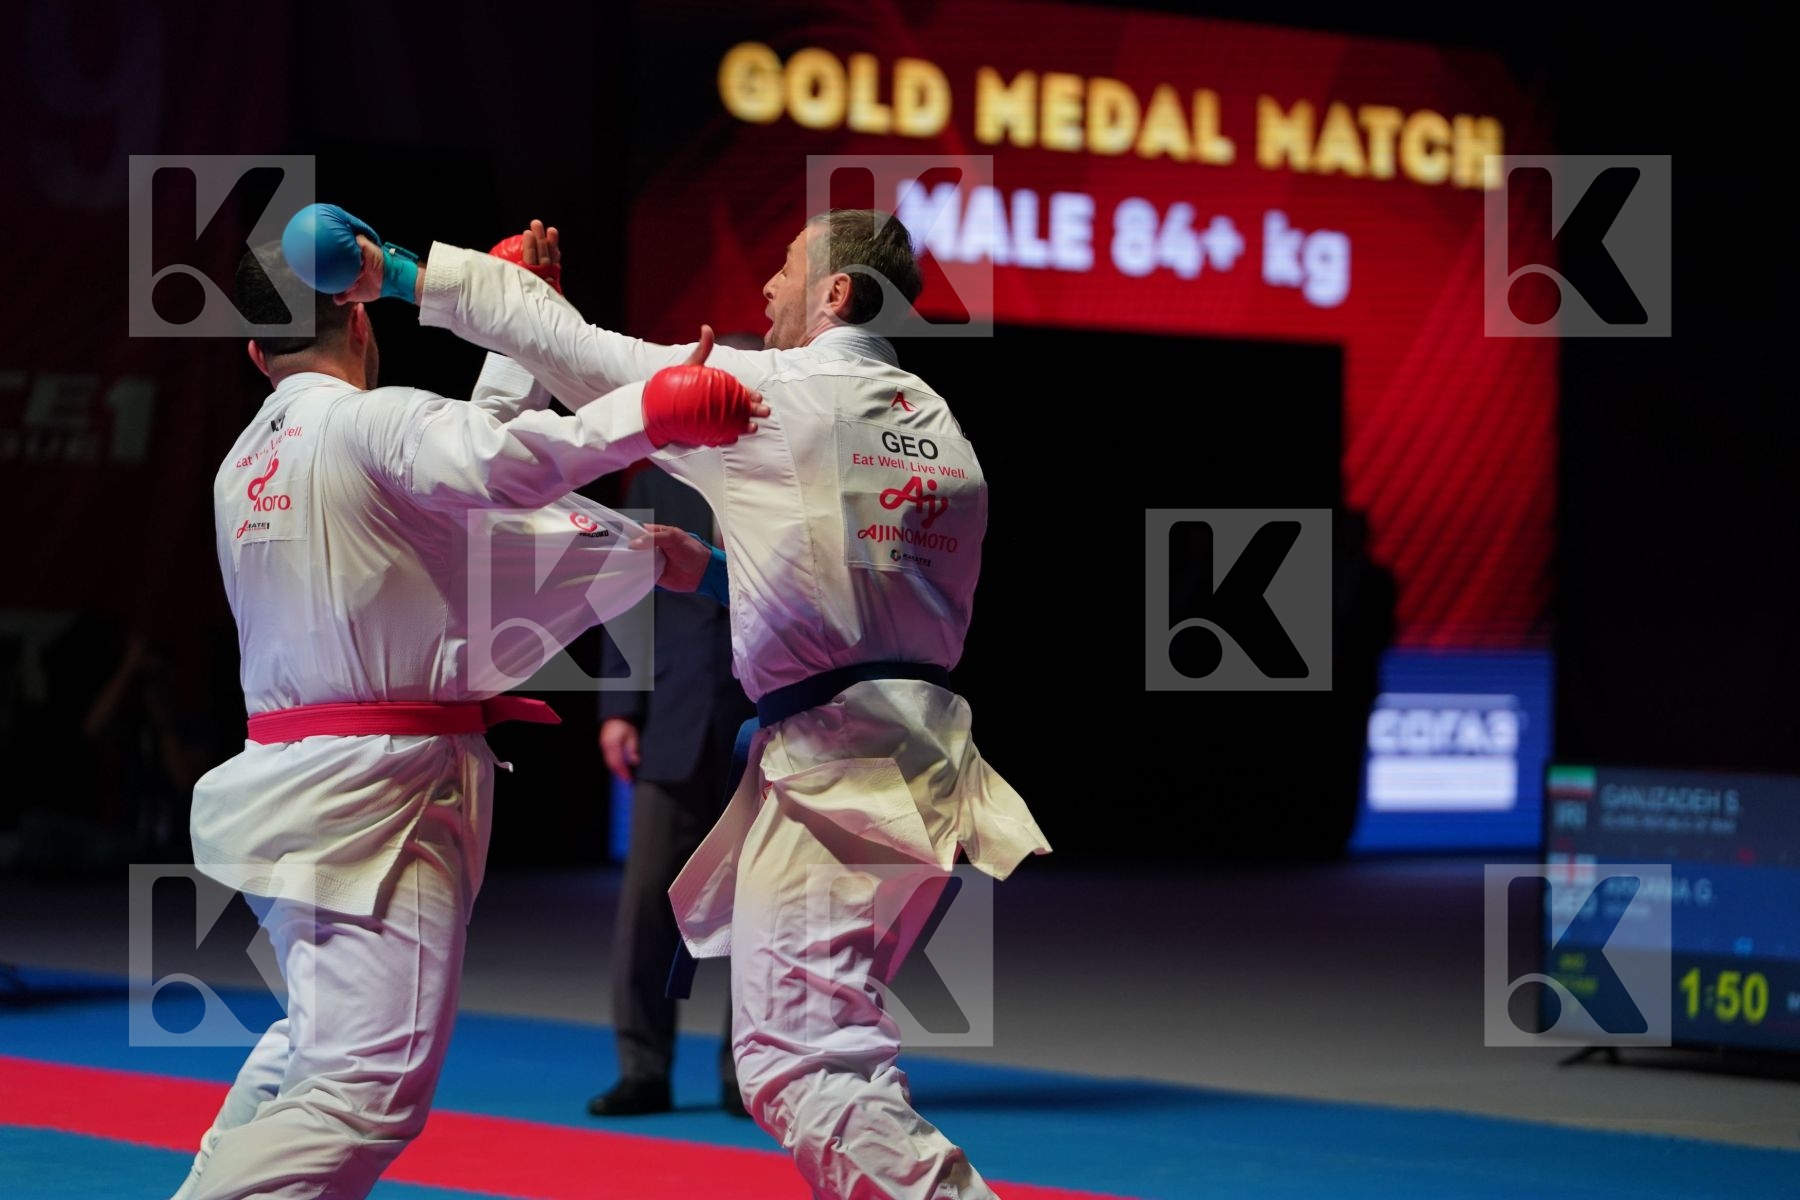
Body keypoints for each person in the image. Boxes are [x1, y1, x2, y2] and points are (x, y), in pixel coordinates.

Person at [330, 208, 1051, 1198]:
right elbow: (867, 603)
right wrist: (712, 576)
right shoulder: (936, 426)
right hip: (919, 767)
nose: (765, 292)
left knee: (805, 1065)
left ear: (836, 294)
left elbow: (577, 353)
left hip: (839, 767)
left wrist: (400, 272)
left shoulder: (786, 391)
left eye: (787, 268)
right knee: (816, 1056)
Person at [168, 219, 764, 1200]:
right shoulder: (374, 424)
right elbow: (505, 465)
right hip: (379, 796)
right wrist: (650, 411)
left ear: (251, 349)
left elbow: (463, 485)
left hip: (284, 789)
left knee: (315, 1042)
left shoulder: (245, 464)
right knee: (369, 1088)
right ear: (359, 314)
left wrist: (508, 322)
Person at [589, 442, 756, 1119]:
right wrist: (618, 711)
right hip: (675, 714)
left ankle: (748, 1074)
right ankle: (642, 1069)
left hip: (765, 720)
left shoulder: (796, 480)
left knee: (765, 909)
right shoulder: (657, 484)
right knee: (647, 910)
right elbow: (623, 601)